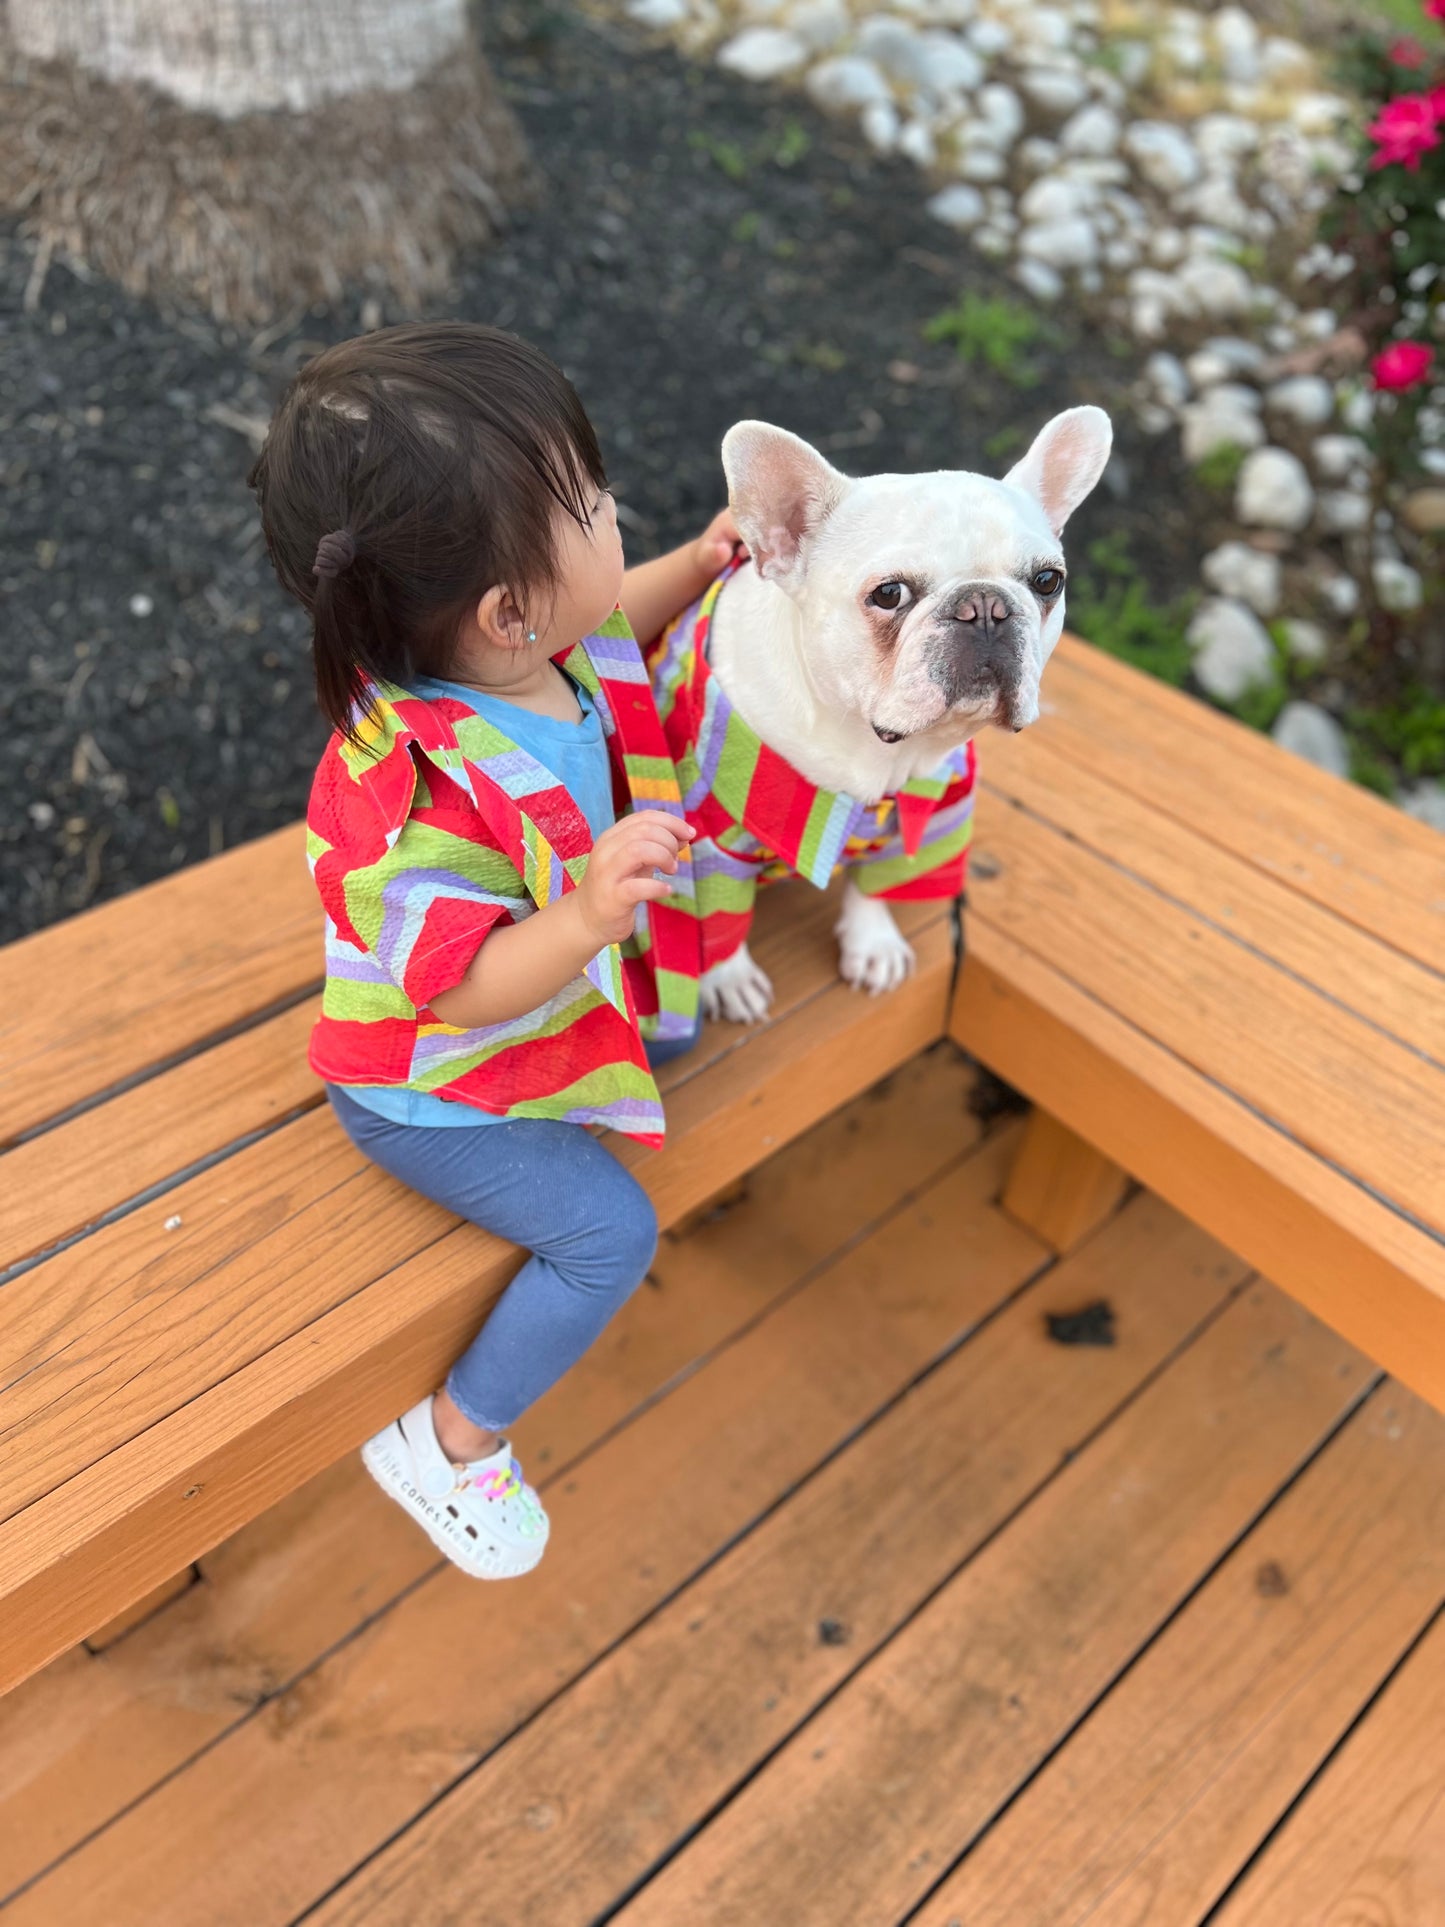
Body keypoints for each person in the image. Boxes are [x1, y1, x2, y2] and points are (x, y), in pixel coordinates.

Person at [251, 322, 738, 1580]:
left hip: (530, 1005)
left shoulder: (522, 649)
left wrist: (695, 563)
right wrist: (581, 919)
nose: (612, 505)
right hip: (427, 1091)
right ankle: (452, 1439)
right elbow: (458, 993)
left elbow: (609, 615)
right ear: (508, 611)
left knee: (677, 1026)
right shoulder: (415, 800)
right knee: (607, 1236)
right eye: (588, 501)